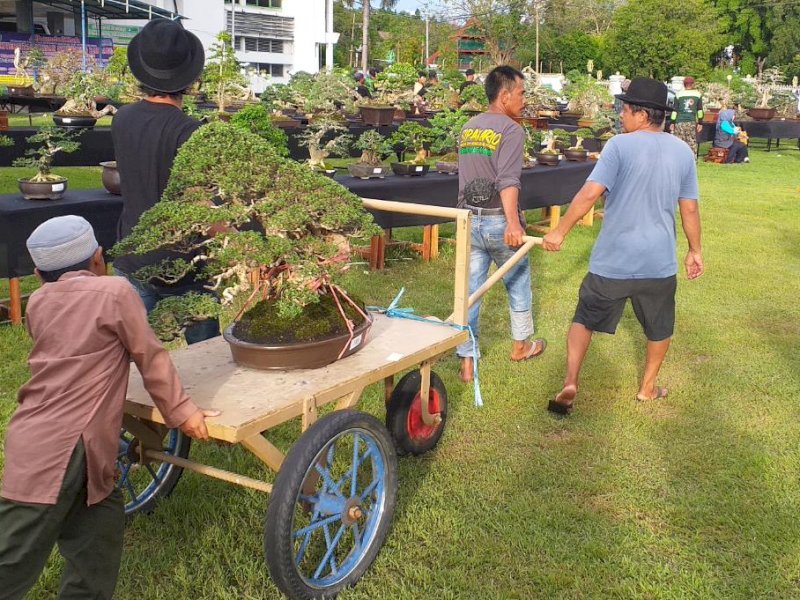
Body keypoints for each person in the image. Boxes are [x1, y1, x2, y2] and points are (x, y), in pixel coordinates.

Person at [0, 216, 219, 599]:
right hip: (60, 449)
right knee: (13, 559)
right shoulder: (116, 292)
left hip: (59, 439)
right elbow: (150, 357)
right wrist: (184, 412)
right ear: (98, 259)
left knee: (98, 538)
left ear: (37, 273)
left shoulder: (37, 303)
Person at [542, 77, 704, 415]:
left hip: (612, 262)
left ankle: (571, 381)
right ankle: (647, 388)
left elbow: (590, 193)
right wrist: (695, 250)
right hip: (657, 264)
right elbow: (689, 207)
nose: (621, 116)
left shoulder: (618, 146)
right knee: (660, 327)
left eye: (625, 109)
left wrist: (559, 231)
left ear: (643, 115)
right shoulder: (683, 151)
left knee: (584, 318)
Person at [456, 65, 547, 383]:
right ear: (505, 94)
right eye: (521, 93)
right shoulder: (511, 131)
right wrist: (513, 223)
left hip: (469, 220)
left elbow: (465, 177)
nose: (524, 100)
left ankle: (467, 361)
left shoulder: (469, 127)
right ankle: (521, 346)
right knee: (518, 282)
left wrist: (463, 215)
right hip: (497, 222)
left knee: (469, 292)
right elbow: (508, 181)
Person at [111, 20, 208, 314]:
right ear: (190, 79)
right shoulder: (192, 132)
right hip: (184, 262)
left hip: (132, 253)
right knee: (203, 355)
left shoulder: (121, 118)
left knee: (133, 354)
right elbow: (201, 203)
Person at [669, 76, 704, 157]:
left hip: (679, 122)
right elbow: (700, 110)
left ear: (684, 84)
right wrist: (700, 123)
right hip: (691, 122)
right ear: (693, 84)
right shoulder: (697, 94)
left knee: (678, 142)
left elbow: (675, 111)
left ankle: (678, 159)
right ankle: (692, 161)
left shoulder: (678, 95)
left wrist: (672, 122)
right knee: (691, 142)